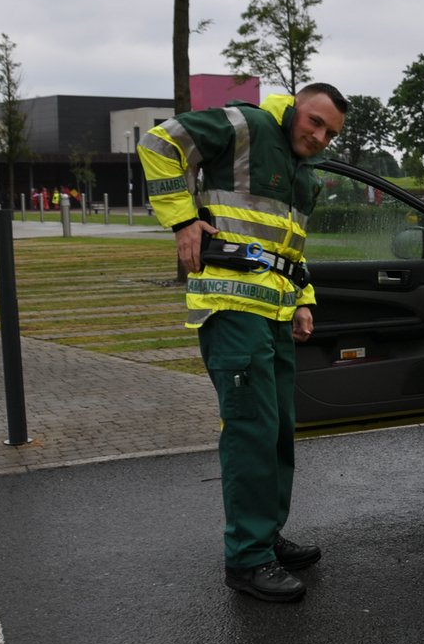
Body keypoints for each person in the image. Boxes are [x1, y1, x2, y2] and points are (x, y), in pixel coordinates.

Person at [138, 84, 348, 601]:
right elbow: (160, 143)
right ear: (297, 105)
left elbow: (291, 250)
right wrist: (184, 220)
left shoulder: (305, 177)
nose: (319, 136)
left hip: (274, 315)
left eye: (330, 133)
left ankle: (266, 537)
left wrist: (303, 301)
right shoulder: (247, 127)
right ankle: (247, 559)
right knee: (251, 433)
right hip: (233, 310)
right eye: (315, 121)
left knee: (277, 432)